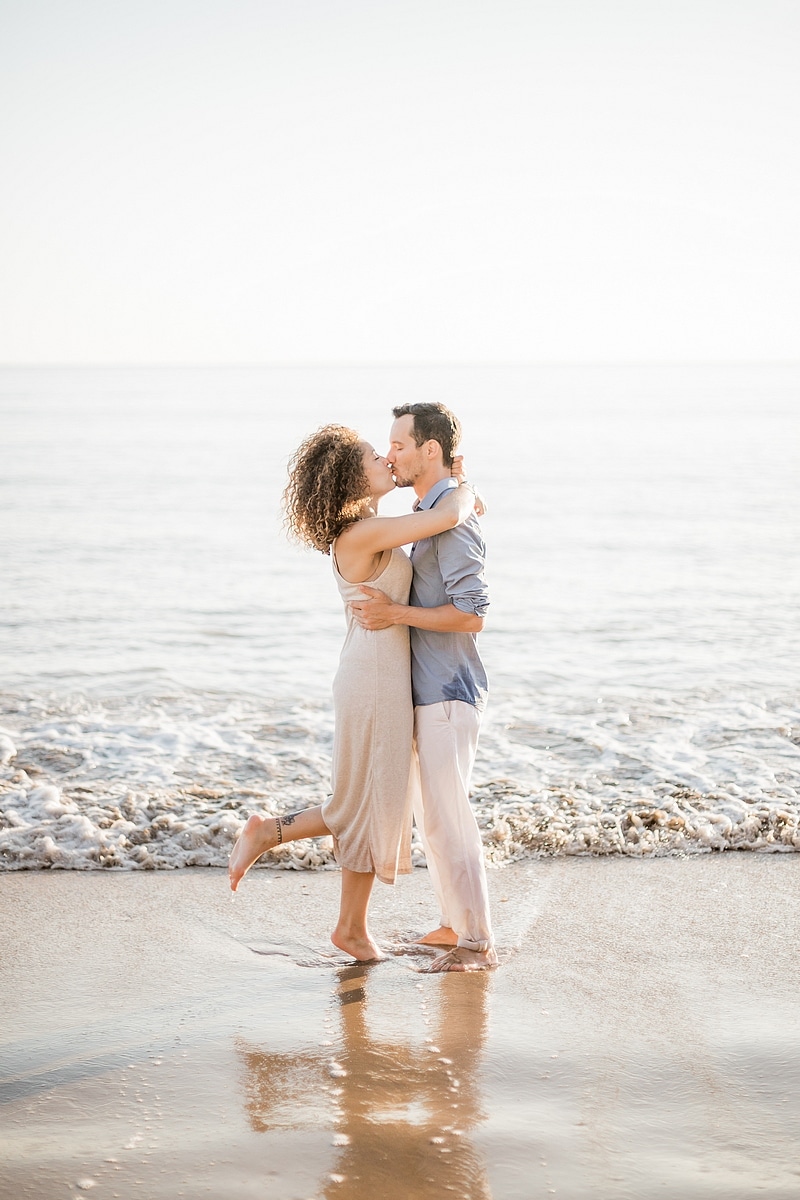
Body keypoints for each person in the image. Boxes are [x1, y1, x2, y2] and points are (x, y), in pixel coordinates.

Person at [228, 423, 478, 963]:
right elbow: (444, 516)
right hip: (371, 680)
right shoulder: (359, 535)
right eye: (372, 455)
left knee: (373, 798)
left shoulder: (371, 526)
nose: (386, 459)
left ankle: (350, 927)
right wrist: (459, 483)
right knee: (361, 800)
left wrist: (460, 489)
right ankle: (268, 835)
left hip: (382, 676)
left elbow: (450, 521)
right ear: (349, 476)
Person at [350, 402, 497, 971]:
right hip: (428, 693)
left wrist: (395, 615)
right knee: (434, 819)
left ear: (429, 450)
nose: (391, 455)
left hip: (449, 692)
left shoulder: (453, 521)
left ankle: (477, 941)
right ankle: (451, 923)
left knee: (450, 818)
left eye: (400, 446)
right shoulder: (435, 508)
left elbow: (473, 614)